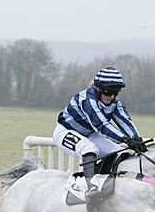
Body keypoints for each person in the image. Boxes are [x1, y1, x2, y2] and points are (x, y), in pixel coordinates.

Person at [53, 66, 146, 200]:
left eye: (116, 92)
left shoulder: (116, 103)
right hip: (65, 132)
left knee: (118, 152)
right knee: (89, 148)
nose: (112, 96)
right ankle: (91, 187)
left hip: (90, 134)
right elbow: (101, 126)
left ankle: (104, 183)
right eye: (108, 92)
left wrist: (136, 138)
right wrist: (126, 140)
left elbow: (125, 121)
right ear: (98, 88)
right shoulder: (87, 100)